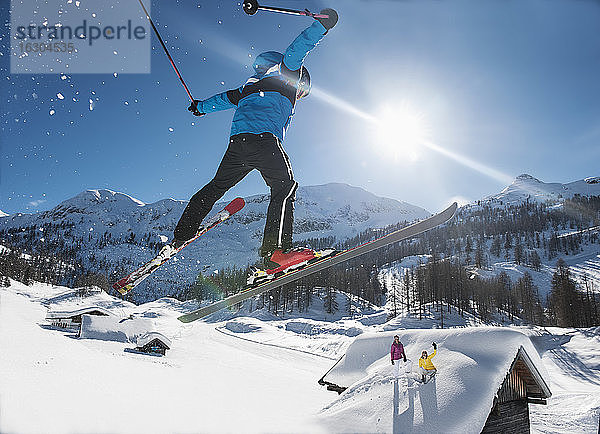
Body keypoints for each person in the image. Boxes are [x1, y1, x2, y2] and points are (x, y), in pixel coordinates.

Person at [164, 9, 338, 273]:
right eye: (303, 90)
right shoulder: (287, 77)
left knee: (215, 187)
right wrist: (321, 27)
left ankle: (182, 233)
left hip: (238, 145)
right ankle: (275, 252)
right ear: (300, 80)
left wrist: (200, 107)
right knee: (284, 188)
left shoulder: (246, 89)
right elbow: (296, 50)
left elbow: (221, 100)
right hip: (265, 142)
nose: (299, 95)